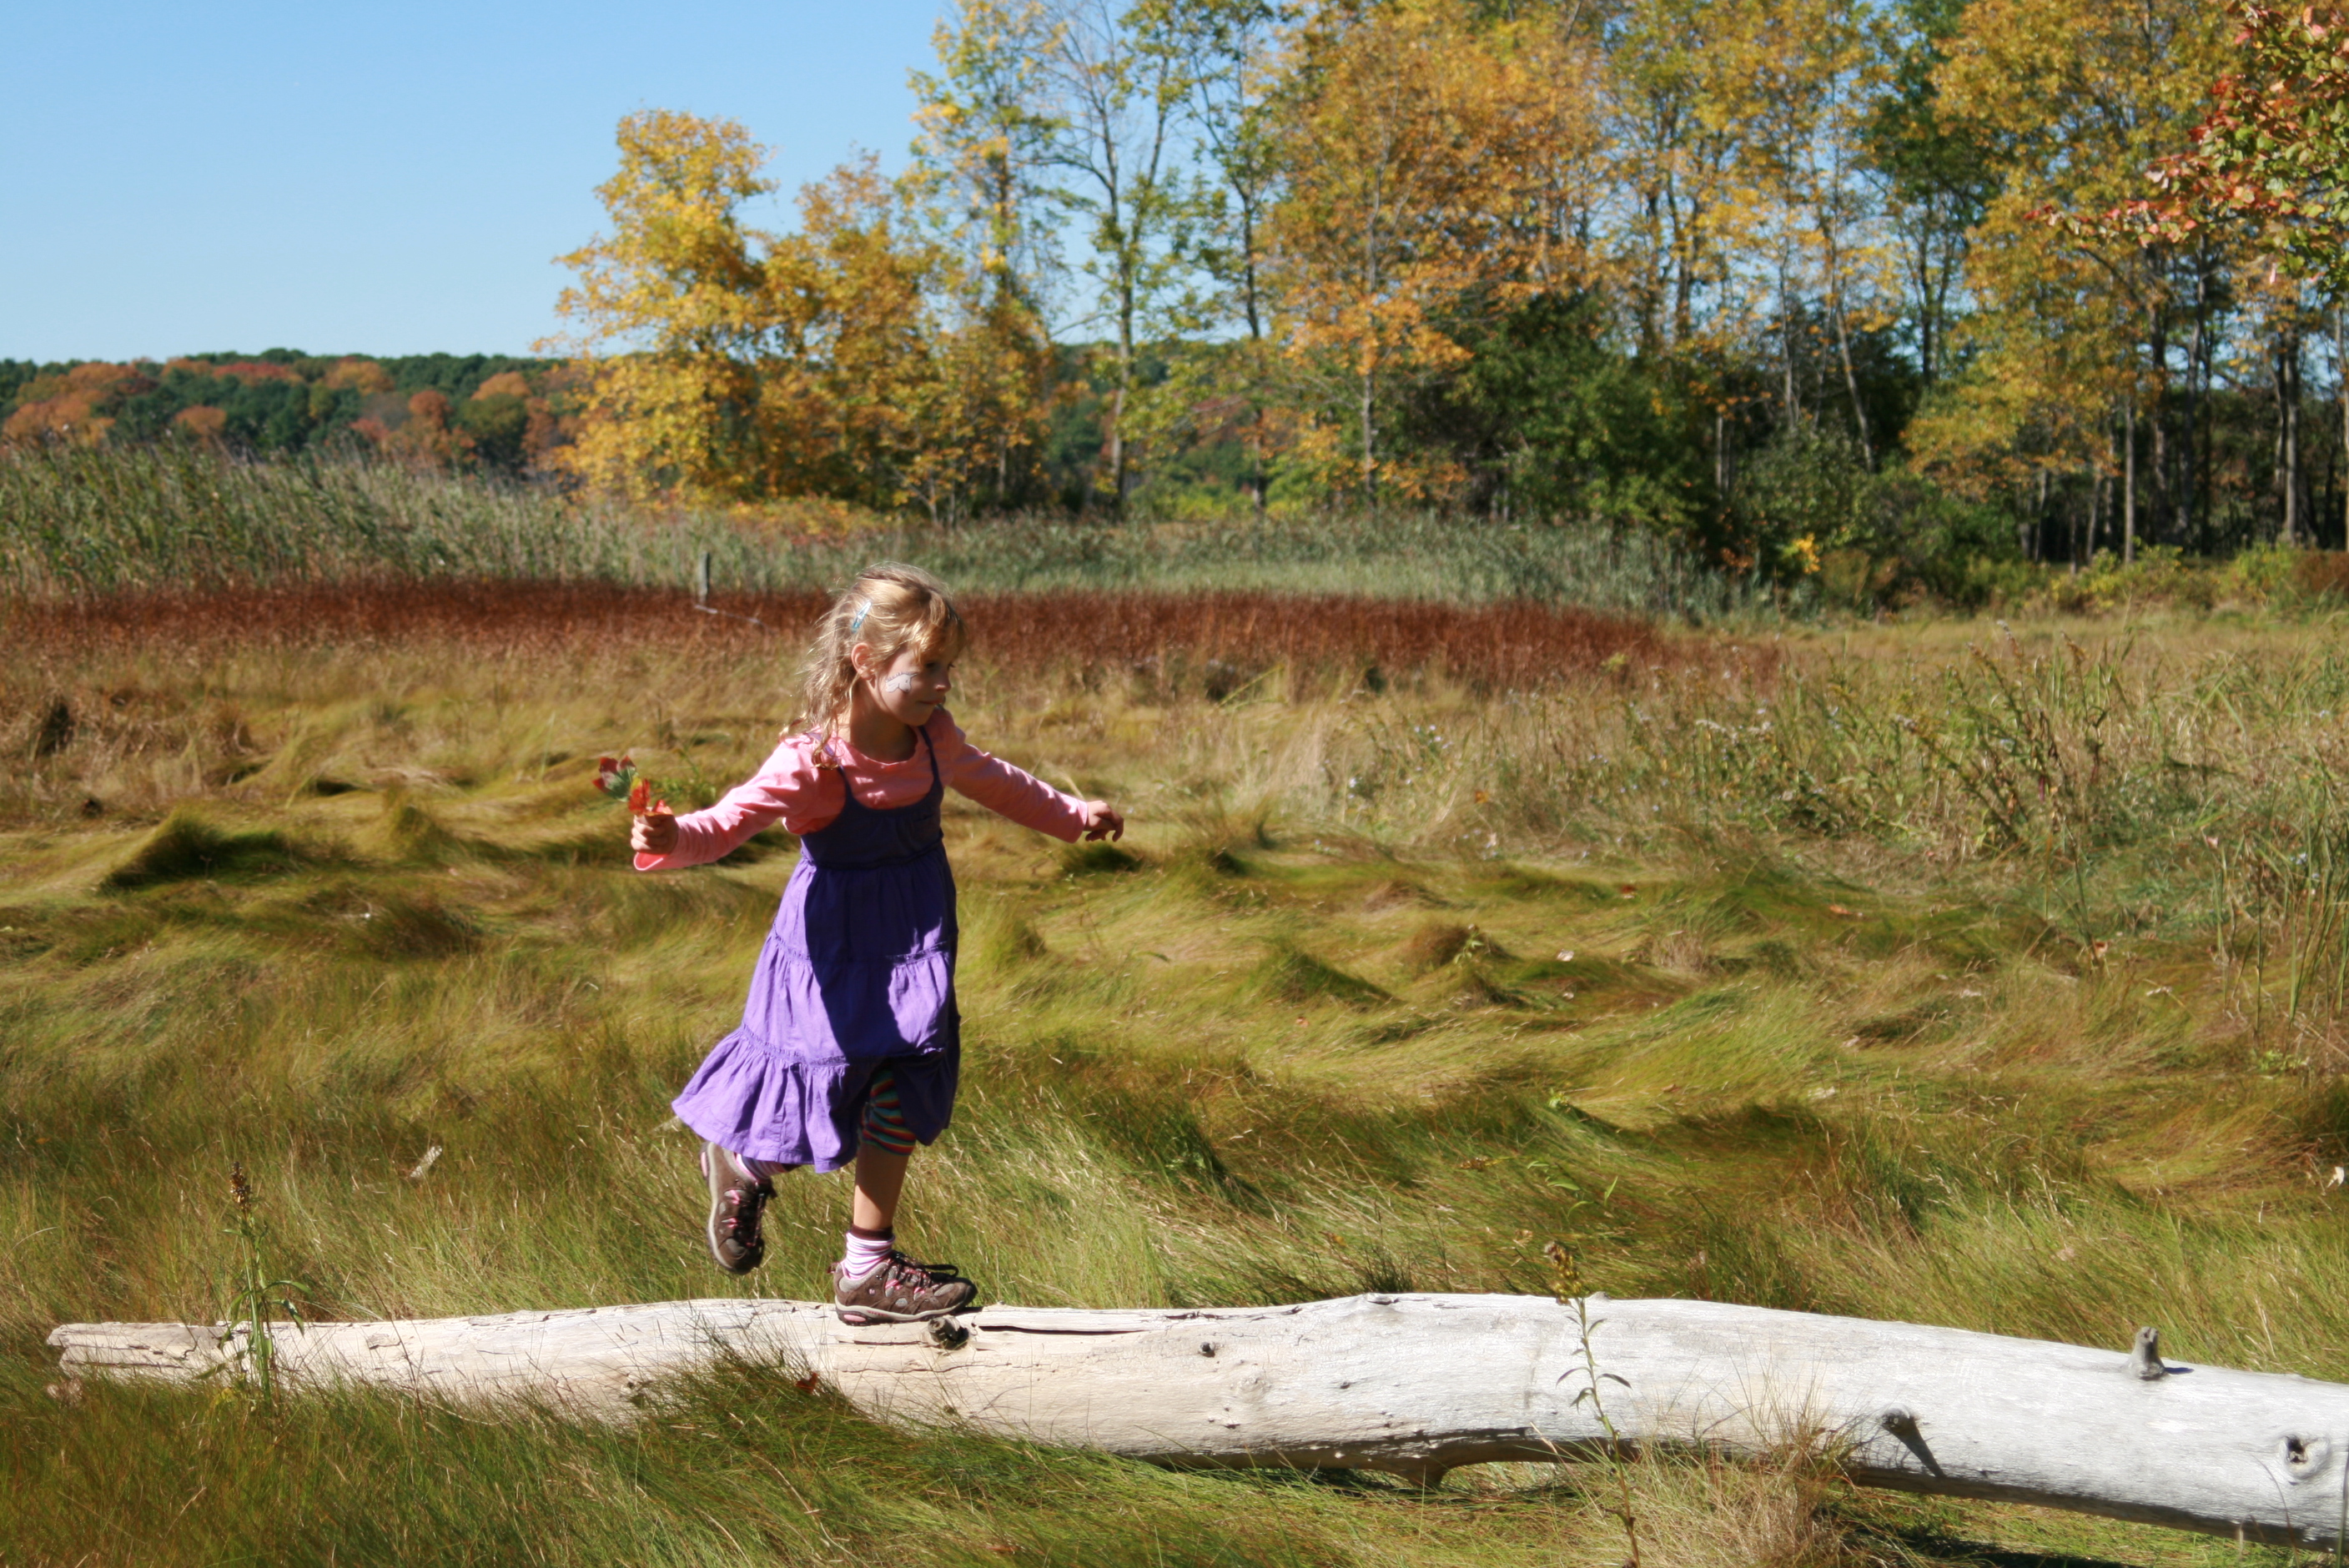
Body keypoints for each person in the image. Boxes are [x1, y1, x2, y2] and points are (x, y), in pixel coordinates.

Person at [631, 563, 1124, 1323]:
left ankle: (866, 1269)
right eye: (927, 667)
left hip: (914, 939)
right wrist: (672, 837)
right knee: (828, 1084)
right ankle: (746, 1162)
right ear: (865, 661)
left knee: (907, 1076)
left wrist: (1070, 813)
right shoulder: (813, 763)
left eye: (949, 668)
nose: (943, 684)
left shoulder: (933, 740)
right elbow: (727, 823)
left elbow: (996, 780)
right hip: (830, 953)